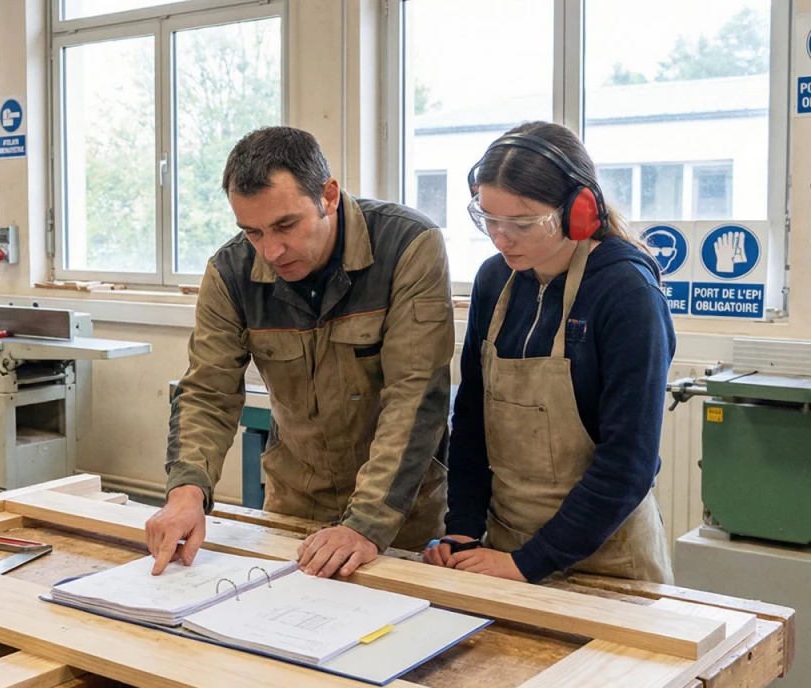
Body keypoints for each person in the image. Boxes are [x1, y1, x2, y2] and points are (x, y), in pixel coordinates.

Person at [149, 126, 454, 579]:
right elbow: (208, 393)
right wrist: (187, 492)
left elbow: (414, 397)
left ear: (328, 195)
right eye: (252, 232)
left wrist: (365, 526)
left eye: (285, 225)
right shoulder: (230, 273)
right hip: (294, 507)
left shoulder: (407, 246)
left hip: (396, 517)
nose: (271, 251)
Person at [424, 122, 675, 583]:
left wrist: (530, 562)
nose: (501, 239)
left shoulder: (626, 293)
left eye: (521, 224)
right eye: (489, 219)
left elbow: (629, 463)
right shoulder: (493, 280)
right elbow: (473, 419)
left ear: (579, 211)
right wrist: (461, 529)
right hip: (504, 547)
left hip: (607, 559)